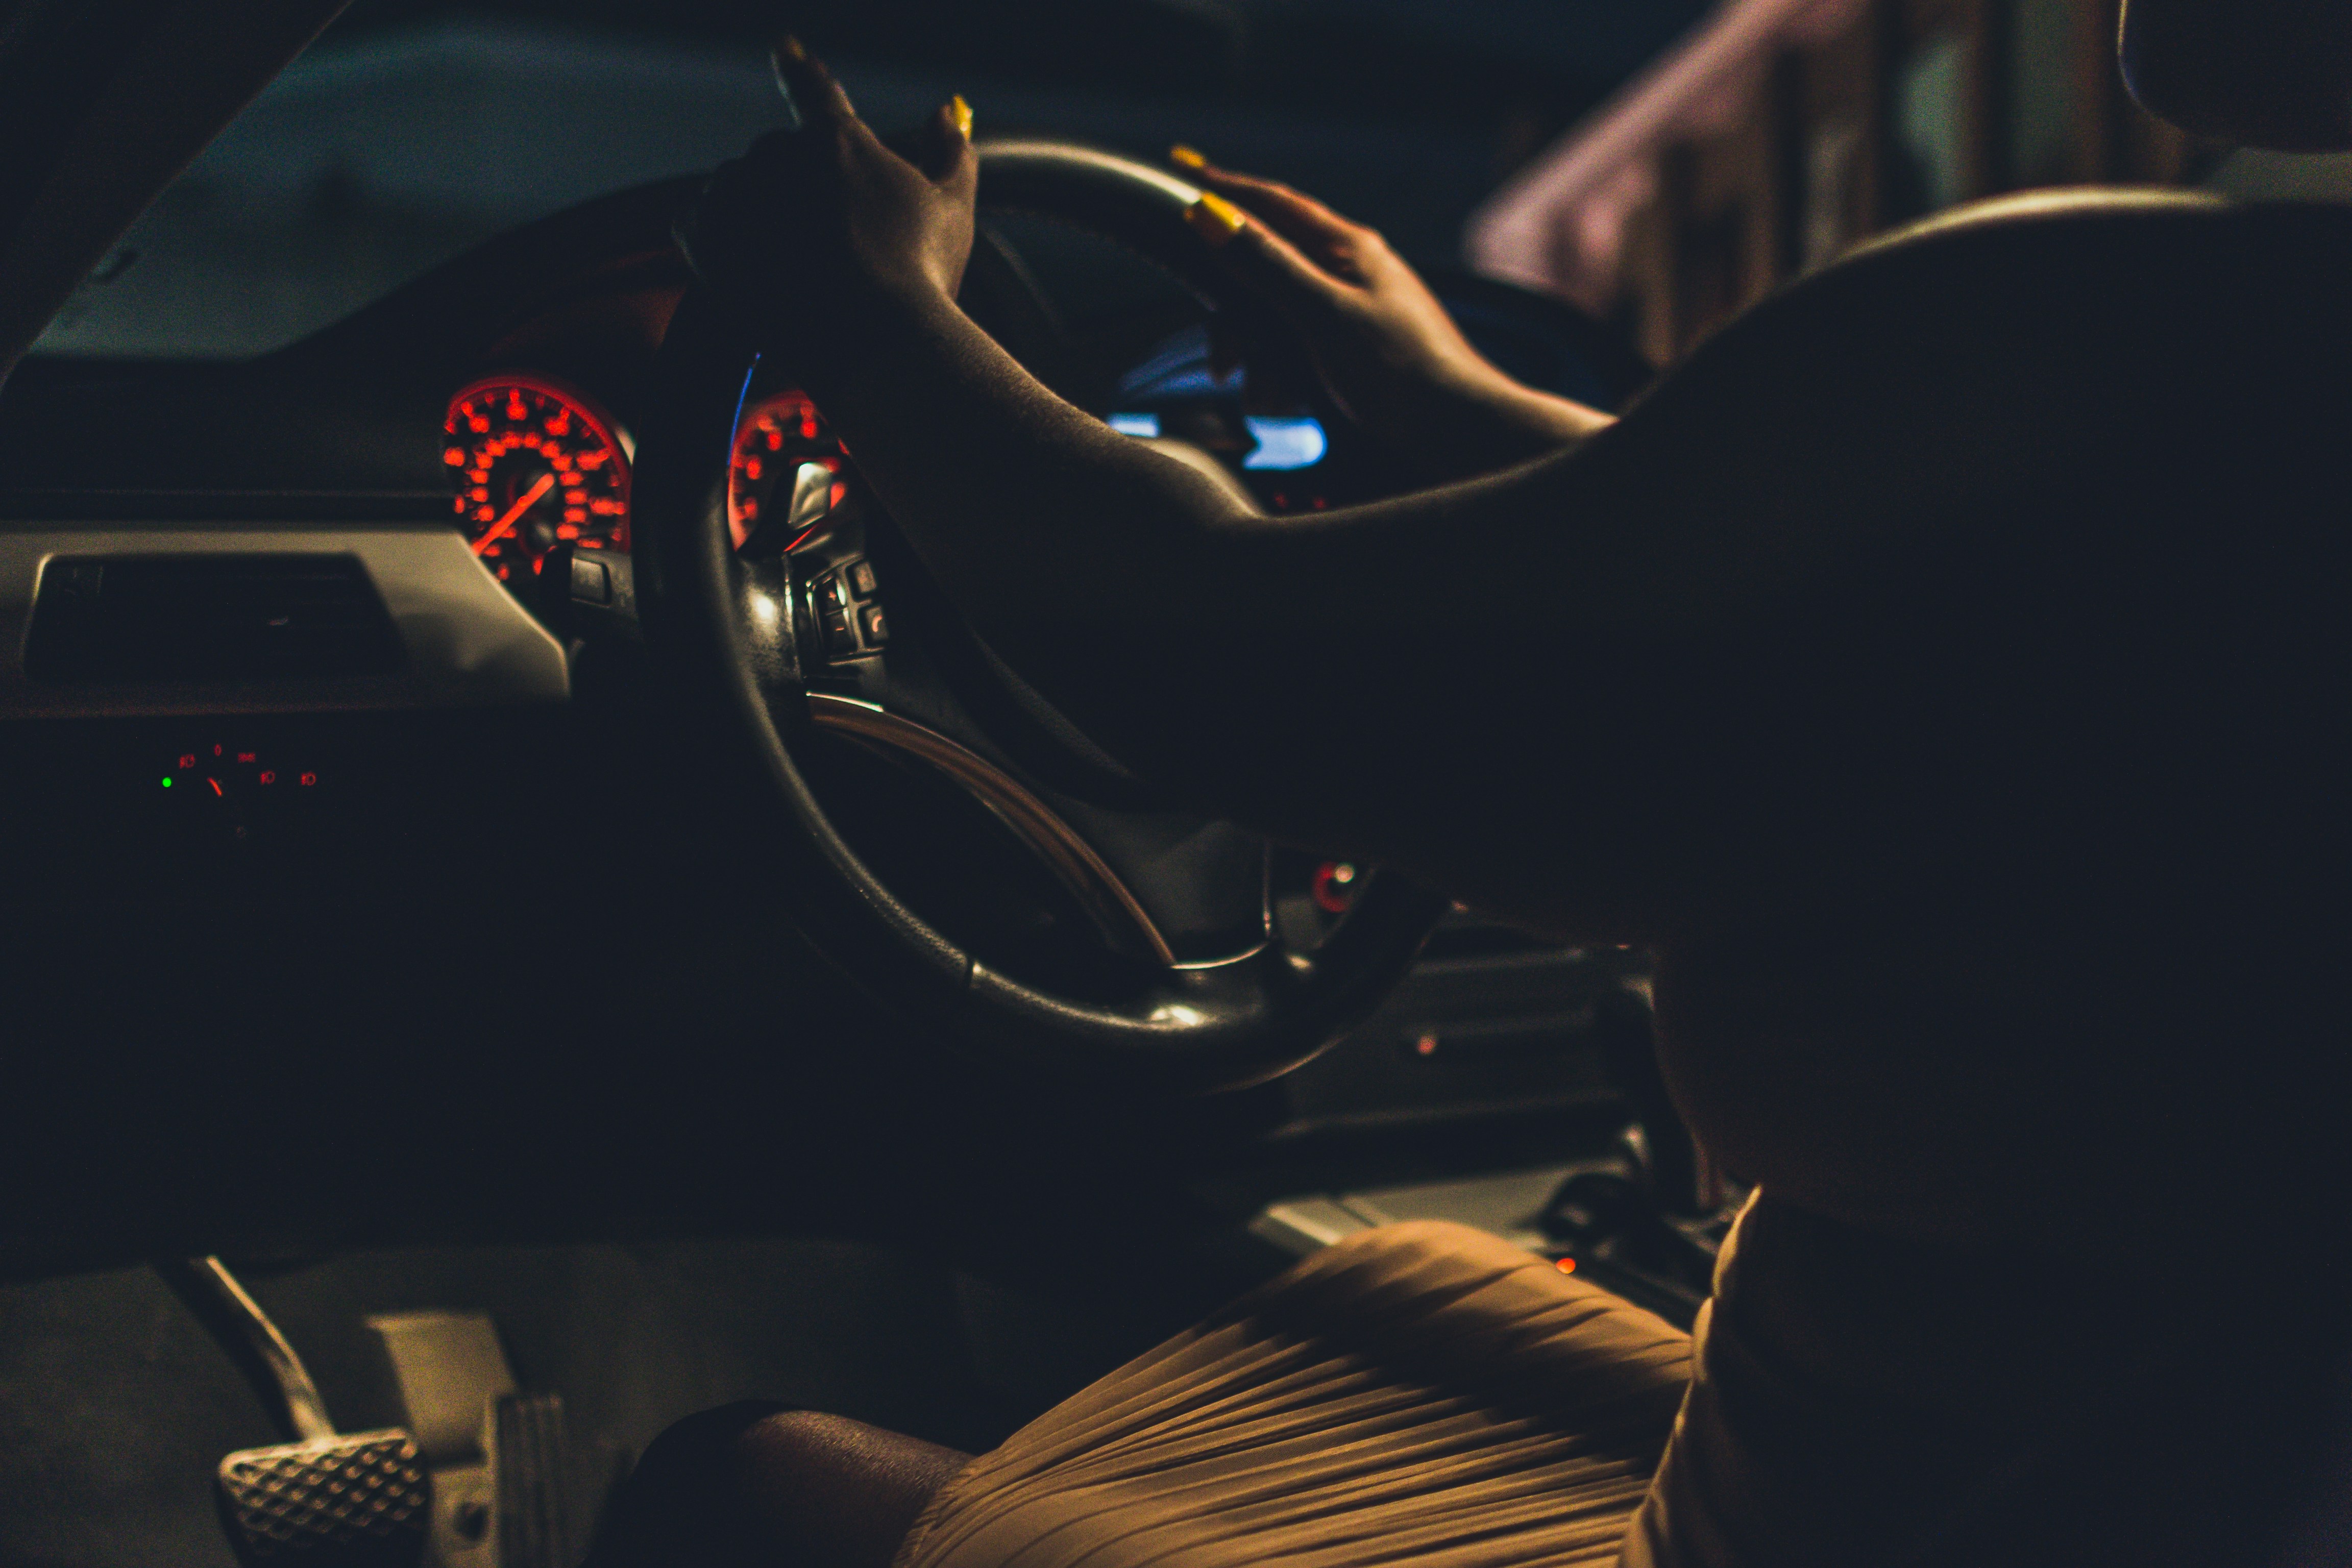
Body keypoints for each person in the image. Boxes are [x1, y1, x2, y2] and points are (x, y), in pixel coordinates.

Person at [599, 6, 2352, 1562]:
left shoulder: (2107, 341)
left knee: (730, 1484)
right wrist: (1453, 410)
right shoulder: (2240, 389)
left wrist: (866, 312)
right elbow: (1922, 620)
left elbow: (1209, 657)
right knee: (1403, 1300)